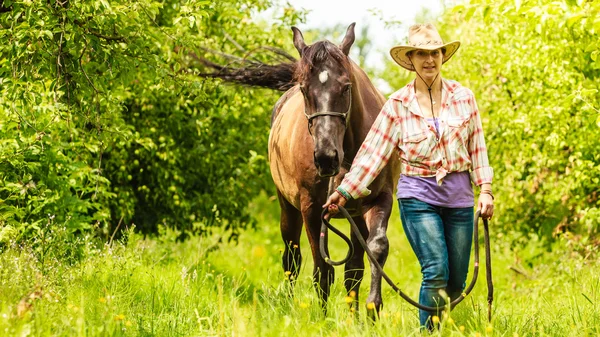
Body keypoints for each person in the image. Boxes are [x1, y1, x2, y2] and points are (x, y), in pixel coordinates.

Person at [323, 23, 494, 329]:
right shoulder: (397, 104)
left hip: (459, 195)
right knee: (436, 270)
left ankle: (439, 327)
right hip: (418, 196)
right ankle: (427, 333)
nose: (429, 60)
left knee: (457, 280)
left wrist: (485, 190)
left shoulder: (464, 97)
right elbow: (373, 154)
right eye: (421, 54)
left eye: (435, 53)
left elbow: (477, 146)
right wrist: (345, 191)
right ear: (411, 59)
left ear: (443, 55)